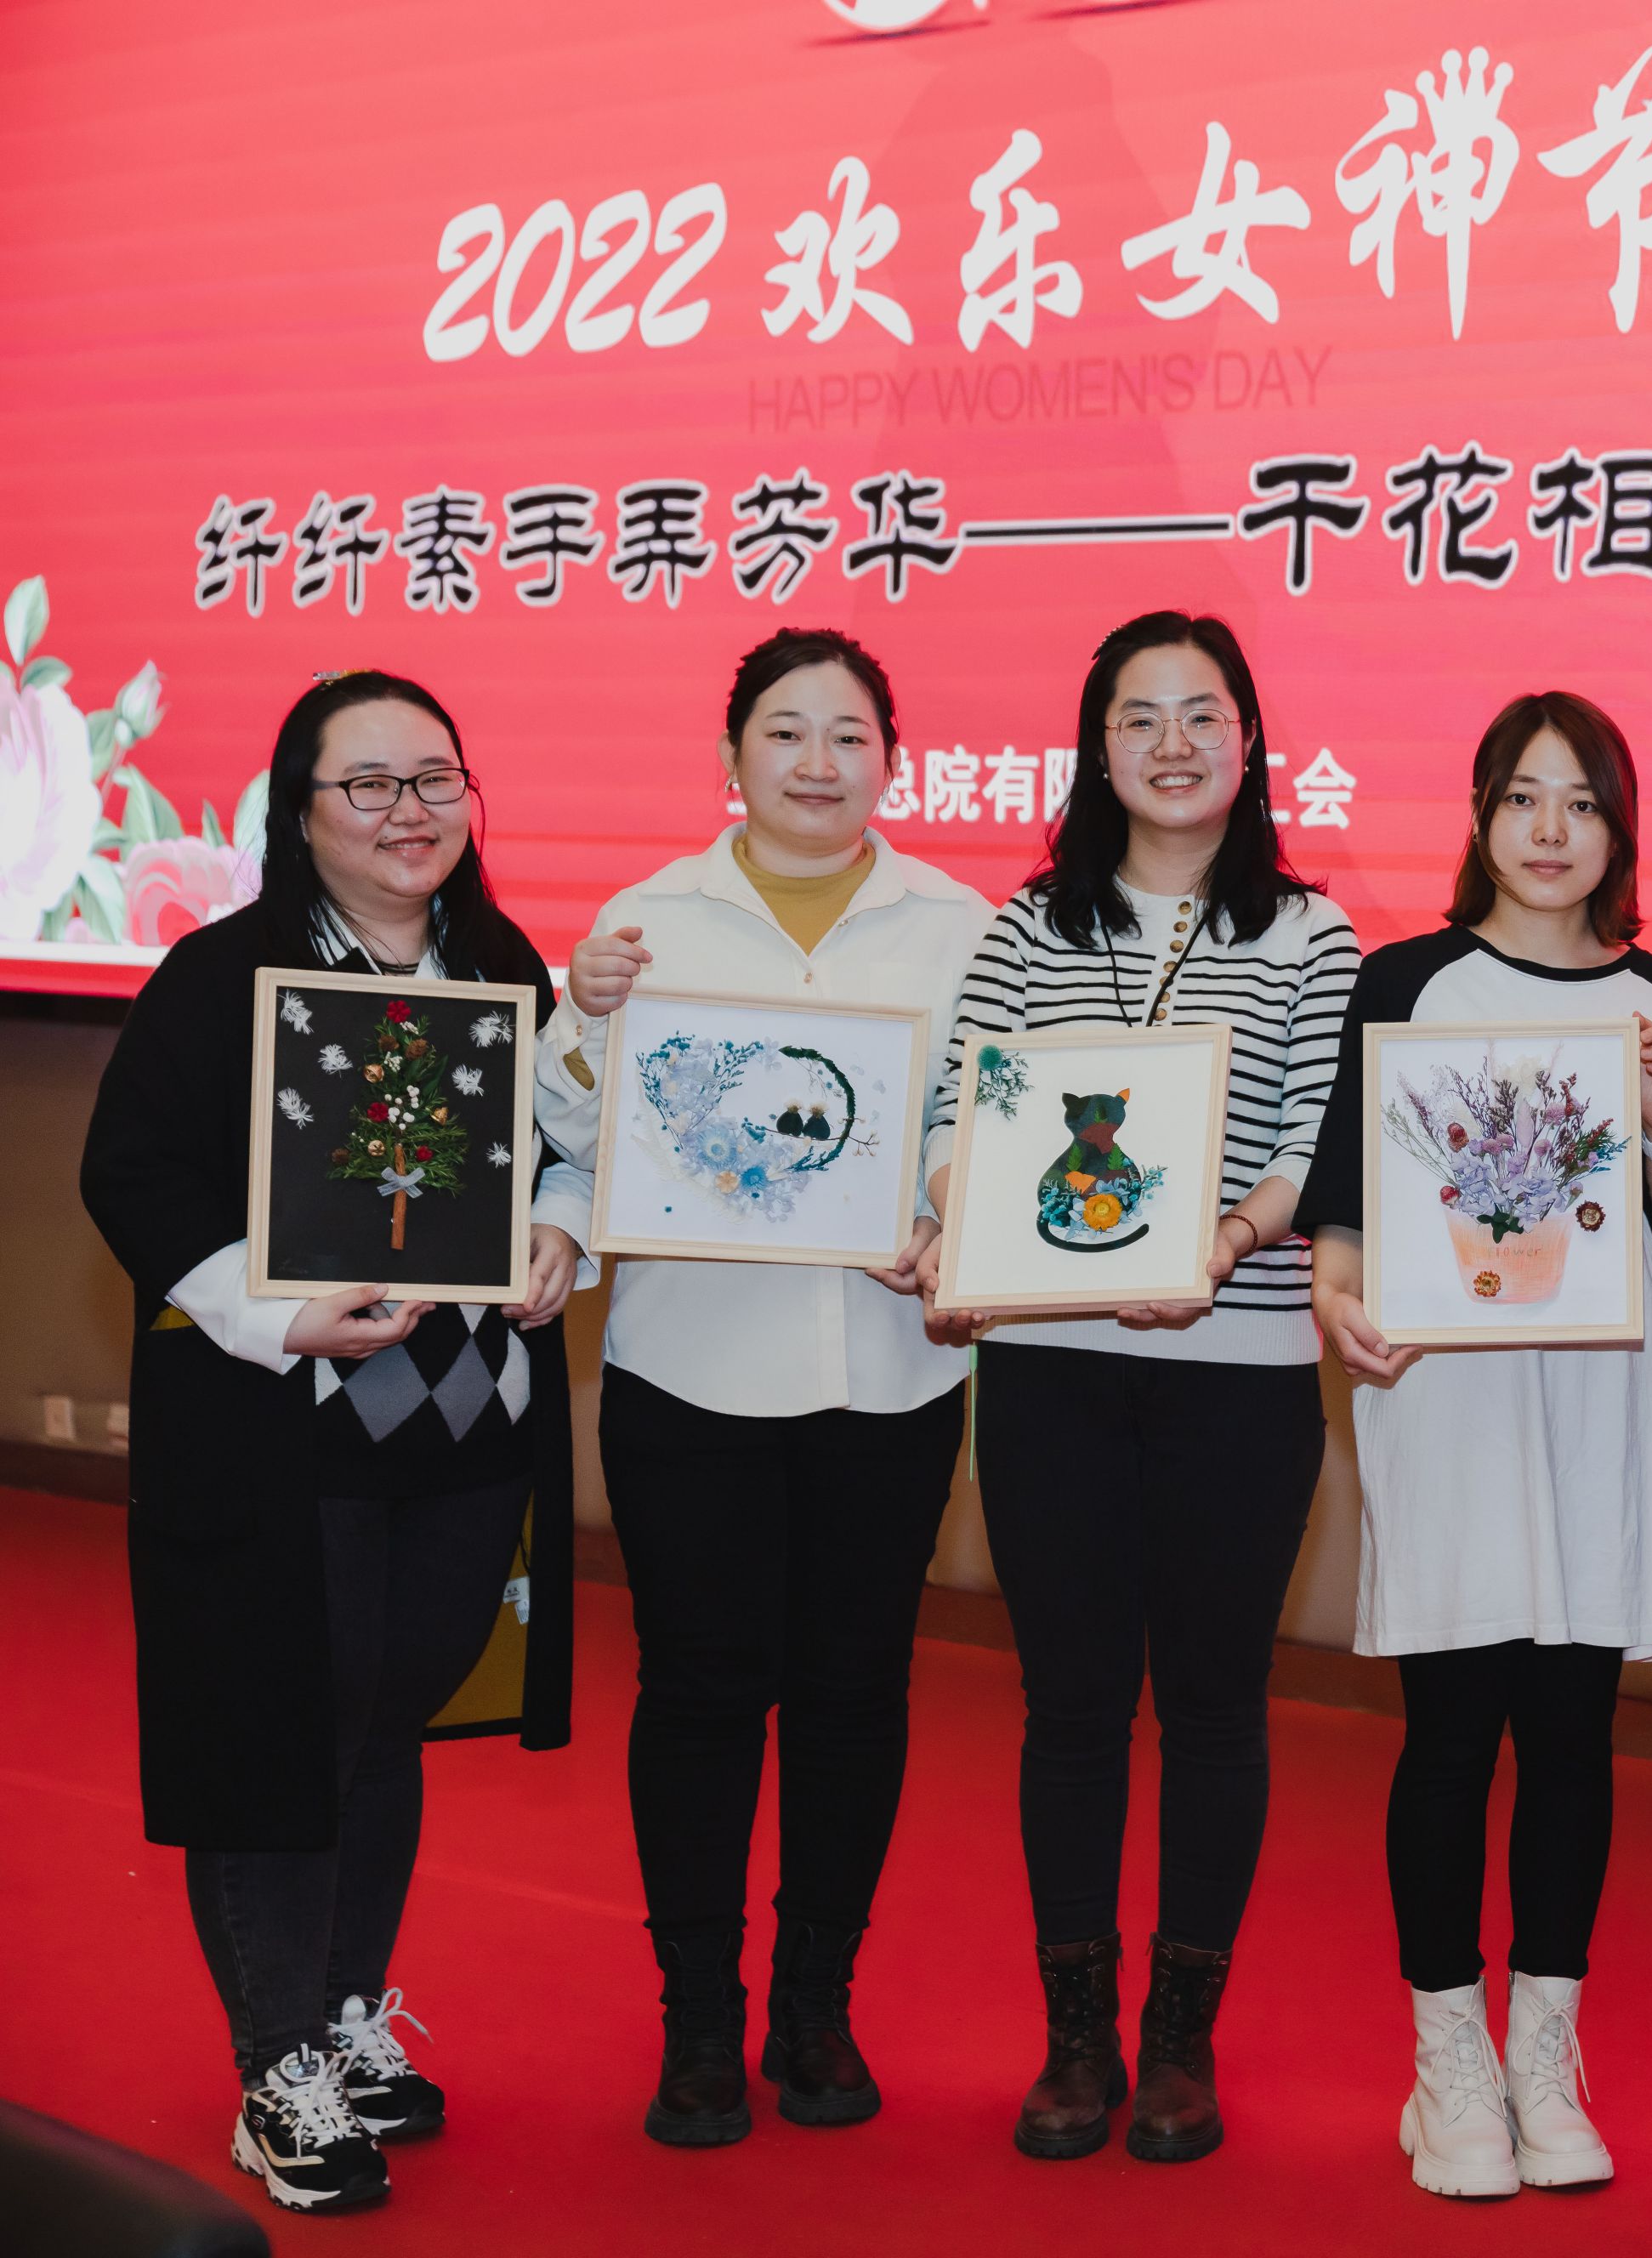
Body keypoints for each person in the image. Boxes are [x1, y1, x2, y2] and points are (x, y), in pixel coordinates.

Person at [79, 671, 586, 2216]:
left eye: (435, 778)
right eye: (365, 785)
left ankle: (349, 2016)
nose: (407, 812)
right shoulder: (220, 975)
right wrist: (270, 1310)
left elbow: (568, 1142)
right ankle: (277, 2067)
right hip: (280, 1434)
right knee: (283, 1735)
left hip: (465, 1434)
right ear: (299, 814)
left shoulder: (501, 965)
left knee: (384, 1722)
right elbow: (129, 1172)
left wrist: (561, 1230)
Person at [533, 630, 992, 2146]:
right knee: (700, 1695)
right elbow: (566, 1134)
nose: (817, 762)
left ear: (893, 761)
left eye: (850, 735)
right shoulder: (646, 921)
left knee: (856, 1697)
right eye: (785, 731)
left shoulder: (963, 928)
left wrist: (951, 1218)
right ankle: (698, 2022)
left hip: (888, 1374)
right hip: (690, 1373)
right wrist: (583, 1016)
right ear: (729, 757)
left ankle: (815, 2007)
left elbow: (977, 1122)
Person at [923, 610, 1359, 2165]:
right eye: (1139, 717)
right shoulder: (1026, 927)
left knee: (1218, 1709)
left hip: (1238, 1369)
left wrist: (1225, 1243)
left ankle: (1181, 2041)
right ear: (1097, 748)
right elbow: (960, 1112)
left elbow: (1315, 1139)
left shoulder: (1312, 935)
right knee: (1070, 1710)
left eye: (1203, 714)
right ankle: (1076, 2039)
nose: (1174, 744)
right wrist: (957, 1219)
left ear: (1250, 740)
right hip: (1050, 1371)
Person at [1302, 692, 1652, 2200]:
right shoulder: (1404, 982)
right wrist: (1334, 1300)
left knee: (1572, 1736)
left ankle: (1546, 2052)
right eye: (1524, 798)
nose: (1552, 832)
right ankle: (1448, 2063)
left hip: (1597, 1406)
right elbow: (1347, 1201)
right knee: (1449, 1733)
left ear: (1619, 829)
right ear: (1480, 815)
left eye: (1583, 803)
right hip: (1447, 1399)